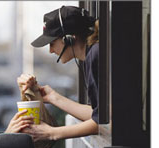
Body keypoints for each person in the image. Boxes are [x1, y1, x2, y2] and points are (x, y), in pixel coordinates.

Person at [17, 6, 99, 141]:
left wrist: (52, 133)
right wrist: (53, 97)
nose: (50, 51)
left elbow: (107, 122)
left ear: (69, 38)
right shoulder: (91, 55)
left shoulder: (95, 55)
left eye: (52, 43)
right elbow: (98, 116)